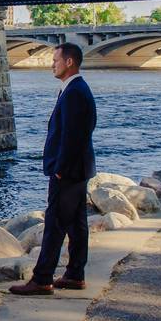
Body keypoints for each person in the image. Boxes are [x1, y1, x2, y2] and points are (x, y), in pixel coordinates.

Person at [10, 42, 97, 296]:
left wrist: (59, 169)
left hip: (68, 172)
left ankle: (42, 278)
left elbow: (74, 135)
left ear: (69, 62)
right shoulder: (76, 89)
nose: (52, 64)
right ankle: (74, 274)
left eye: (56, 60)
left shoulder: (75, 92)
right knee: (77, 224)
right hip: (78, 169)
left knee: (55, 224)